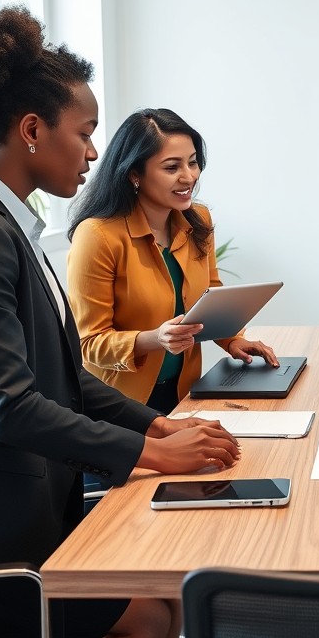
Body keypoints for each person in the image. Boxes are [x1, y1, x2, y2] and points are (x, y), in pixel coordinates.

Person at [0, 4, 242, 638]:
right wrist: (153, 453)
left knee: (168, 595)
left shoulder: (2, 223)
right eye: (86, 132)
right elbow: (9, 406)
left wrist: (158, 423)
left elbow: (61, 375)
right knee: (155, 611)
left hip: (10, 508)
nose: (95, 152)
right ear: (34, 130)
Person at [66, 108, 278, 415]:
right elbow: (89, 343)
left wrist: (232, 339)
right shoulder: (97, 235)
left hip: (185, 395)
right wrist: (154, 339)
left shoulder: (198, 220)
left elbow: (210, 294)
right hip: (119, 407)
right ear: (134, 174)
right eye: (171, 167)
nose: (189, 176)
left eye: (193, 162)